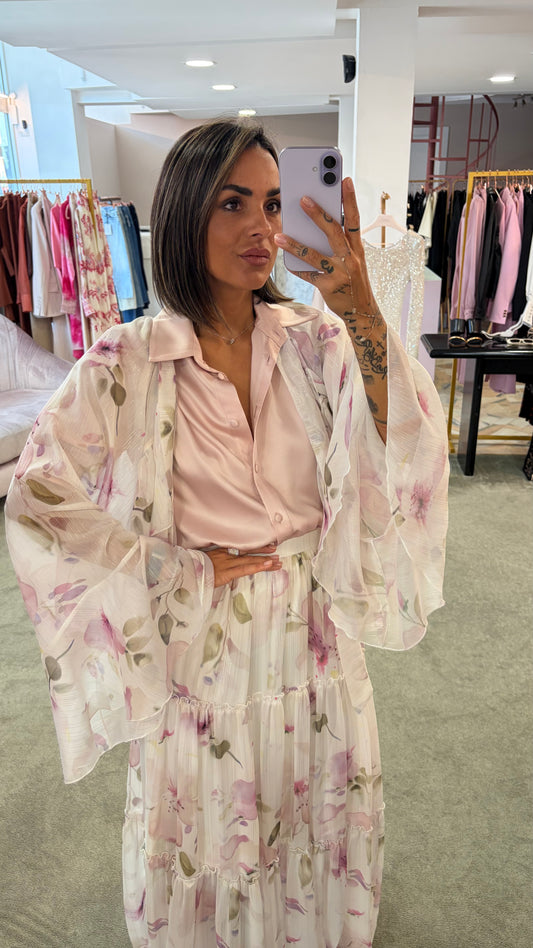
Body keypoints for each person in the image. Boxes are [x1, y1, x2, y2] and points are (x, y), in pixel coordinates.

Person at [5, 119, 449, 948]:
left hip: (314, 636)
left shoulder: (317, 340)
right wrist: (158, 564)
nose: (262, 228)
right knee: (210, 830)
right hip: (201, 642)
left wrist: (357, 307)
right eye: (232, 203)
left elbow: (403, 442)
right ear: (184, 213)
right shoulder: (127, 359)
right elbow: (36, 497)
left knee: (314, 811)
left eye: (274, 204)